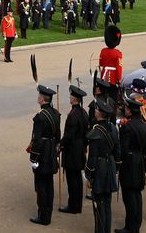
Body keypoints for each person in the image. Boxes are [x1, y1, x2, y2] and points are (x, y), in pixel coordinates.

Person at [28, 84, 61, 226]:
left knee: (41, 185)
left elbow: (36, 140)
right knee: (49, 185)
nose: (38, 97)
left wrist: (33, 158)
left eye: (39, 96)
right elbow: (58, 134)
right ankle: (48, 212)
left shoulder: (40, 117)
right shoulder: (55, 113)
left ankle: (43, 216)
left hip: (42, 154)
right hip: (52, 151)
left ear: (42, 98)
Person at [86, 98, 121, 233]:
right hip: (110, 165)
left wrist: (88, 173)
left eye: (96, 110)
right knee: (107, 203)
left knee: (99, 204)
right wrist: (116, 167)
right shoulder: (113, 127)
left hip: (99, 169)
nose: (95, 111)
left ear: (99, 113)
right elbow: (117, 151)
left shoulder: (96, 131)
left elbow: (93, 157)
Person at [119, 96, 146, 233]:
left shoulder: (127, 127)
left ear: (130, 111)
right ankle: (136, 223)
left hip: (129, 163)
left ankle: (130, 227)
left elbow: (123, 149)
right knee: (136, 194)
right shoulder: (143, 125)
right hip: (139, 161)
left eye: (126, 109)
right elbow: (145, 148)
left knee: (129, 195)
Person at [60, 84, 88, 215]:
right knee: (77, 179)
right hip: (80, 148)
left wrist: (60, 144)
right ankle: (78, 205)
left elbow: (69, 135)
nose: (70, 98)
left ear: (75, 99)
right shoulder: (83, 113)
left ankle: (73, 206)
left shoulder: (73, 115)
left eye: (71, 96)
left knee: (72, 180)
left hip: (72, 151)